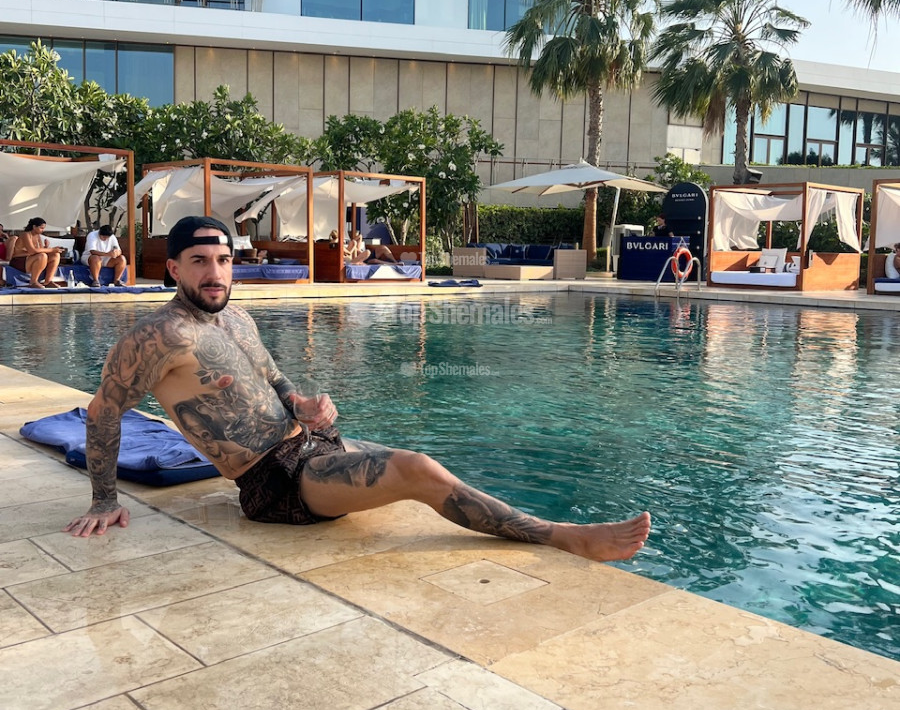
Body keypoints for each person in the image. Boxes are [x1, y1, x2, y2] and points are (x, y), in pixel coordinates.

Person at [65, 214, 652, 561]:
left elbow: (274, 379)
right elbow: (103, 413)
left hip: (312, 445)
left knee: (427, 467)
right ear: (173, 269)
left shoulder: (237, 318)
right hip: (275, 482)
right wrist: (103, 500)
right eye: (199, 261)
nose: (215, 273)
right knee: (416, 469)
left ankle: (543, 528)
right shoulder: (157, 337)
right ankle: (564, 538)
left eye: (223, 260)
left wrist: (302, 403)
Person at [15, 217, 62, 288]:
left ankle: (48, 281)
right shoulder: (26, 235)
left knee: (55, 255)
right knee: (42, 256)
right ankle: (33, 282)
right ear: (34, 227)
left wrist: (46, 247)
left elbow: (40, 250)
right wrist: (51, 249)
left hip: (31, 259)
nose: (43, 230)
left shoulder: (38, 236)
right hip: (20, 260)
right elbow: (32, 251)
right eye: (41, 228)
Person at [84, 223, 127, 287]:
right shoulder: (92, 235)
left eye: (107, 237)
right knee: (95, 258)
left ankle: (117, 280)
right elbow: (92, 251)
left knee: (122, 259)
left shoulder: (112, 237)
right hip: (90, 257)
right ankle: (95, 281)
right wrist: (107, 254)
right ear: (99, 233)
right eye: (104, 237)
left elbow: (119, 250)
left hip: (107, 258)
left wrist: (116, 253)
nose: (105, 239)